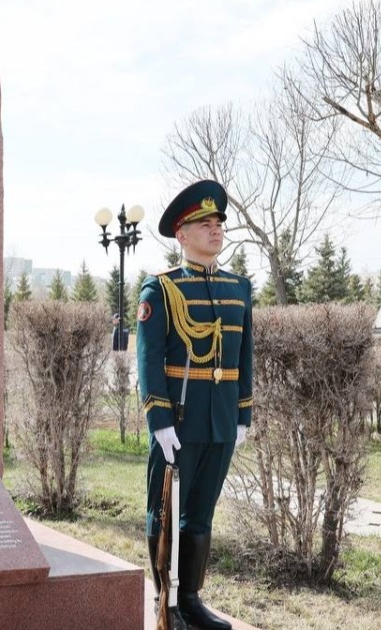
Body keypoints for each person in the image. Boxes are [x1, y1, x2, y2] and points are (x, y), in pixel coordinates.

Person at [135, 180, 252, 630]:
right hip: (178, 424)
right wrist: (159, 420)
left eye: (219, 222)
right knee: (165, 511)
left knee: (201, 513)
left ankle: (191, 599)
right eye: (205, 223)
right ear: (181, 235)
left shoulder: (239, 288)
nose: (215, 229)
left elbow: (245, 358)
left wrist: (242, 414)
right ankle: (164, 601)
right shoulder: (161, 291)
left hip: (220, 422)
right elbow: (148, 360)